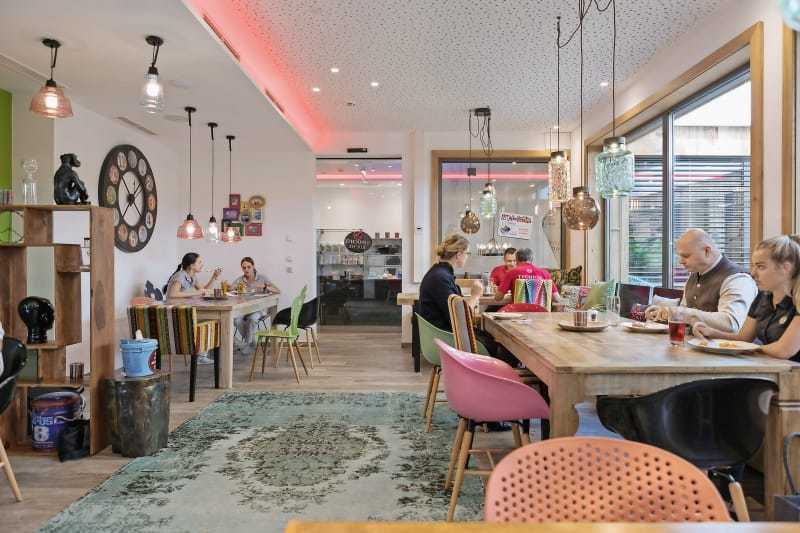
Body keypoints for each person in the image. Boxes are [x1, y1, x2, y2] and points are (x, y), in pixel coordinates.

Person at [694, 235, 800, 362]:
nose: (753, 273)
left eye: (761, 267)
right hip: (770, 367)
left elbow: (783, 350)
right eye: (753, 266)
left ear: (786, 268)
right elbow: (744, 338)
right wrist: (711, 332)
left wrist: (750, 348)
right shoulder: (763, 296)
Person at [646, 228, 757, 332]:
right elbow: (684, 315)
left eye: (686, 256)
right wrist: (665, 312)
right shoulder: (694, 275)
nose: (681, 261)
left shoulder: (737, 279)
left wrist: (682, 313)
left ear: (707, 251)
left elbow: (730, 323)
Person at [165, 253, 222, 364]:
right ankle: (200, 356)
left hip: (187, 311)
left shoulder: (192, 277)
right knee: (209, 321)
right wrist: (196, 293)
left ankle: (201, 355)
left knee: (213, 321)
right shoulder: (180, 276)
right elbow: (172, 294)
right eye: (199, 262)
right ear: (191, 265)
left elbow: (203, 290)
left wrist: (214, 277)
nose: (202, 265)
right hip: (176, 313)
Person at [418, 234, 483, 331]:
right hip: (445, 336)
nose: (467, 257)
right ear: (459, 255)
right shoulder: (440, 278)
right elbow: (461, 319)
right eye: (467, 253)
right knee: (492, 339)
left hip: (441, 333)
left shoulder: (439, 273)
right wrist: (475, 296)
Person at [232, 257, 280, 350]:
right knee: (236, 320)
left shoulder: (262, 278)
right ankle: (250, 343)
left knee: (252, 318)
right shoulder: (240, 280)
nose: (246, 270)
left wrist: (265, 286)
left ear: (253, 266)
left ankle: (247, 345)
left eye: (249, 267)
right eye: (244, 268)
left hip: (259, 309)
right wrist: (234, 288)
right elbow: (231, 289)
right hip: (244, 309)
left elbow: (277, 290)